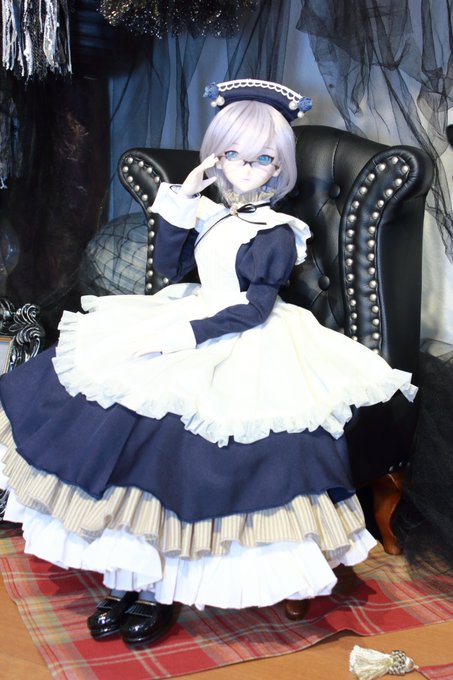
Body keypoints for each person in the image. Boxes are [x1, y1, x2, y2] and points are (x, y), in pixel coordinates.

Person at [0, 79, 417, 647]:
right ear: (217, 156)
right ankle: (125, 580)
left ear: (278, 166)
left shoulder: (277, 232)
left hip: (240, 333)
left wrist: (182, 337)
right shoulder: (212, 213)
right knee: (118, 412)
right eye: (232, 155)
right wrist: (183, 200)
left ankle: (159, 589)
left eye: (261, 159)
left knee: (175, 441)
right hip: (191, 310)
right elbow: (171, 272)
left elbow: (254, 308)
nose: (245, 168)